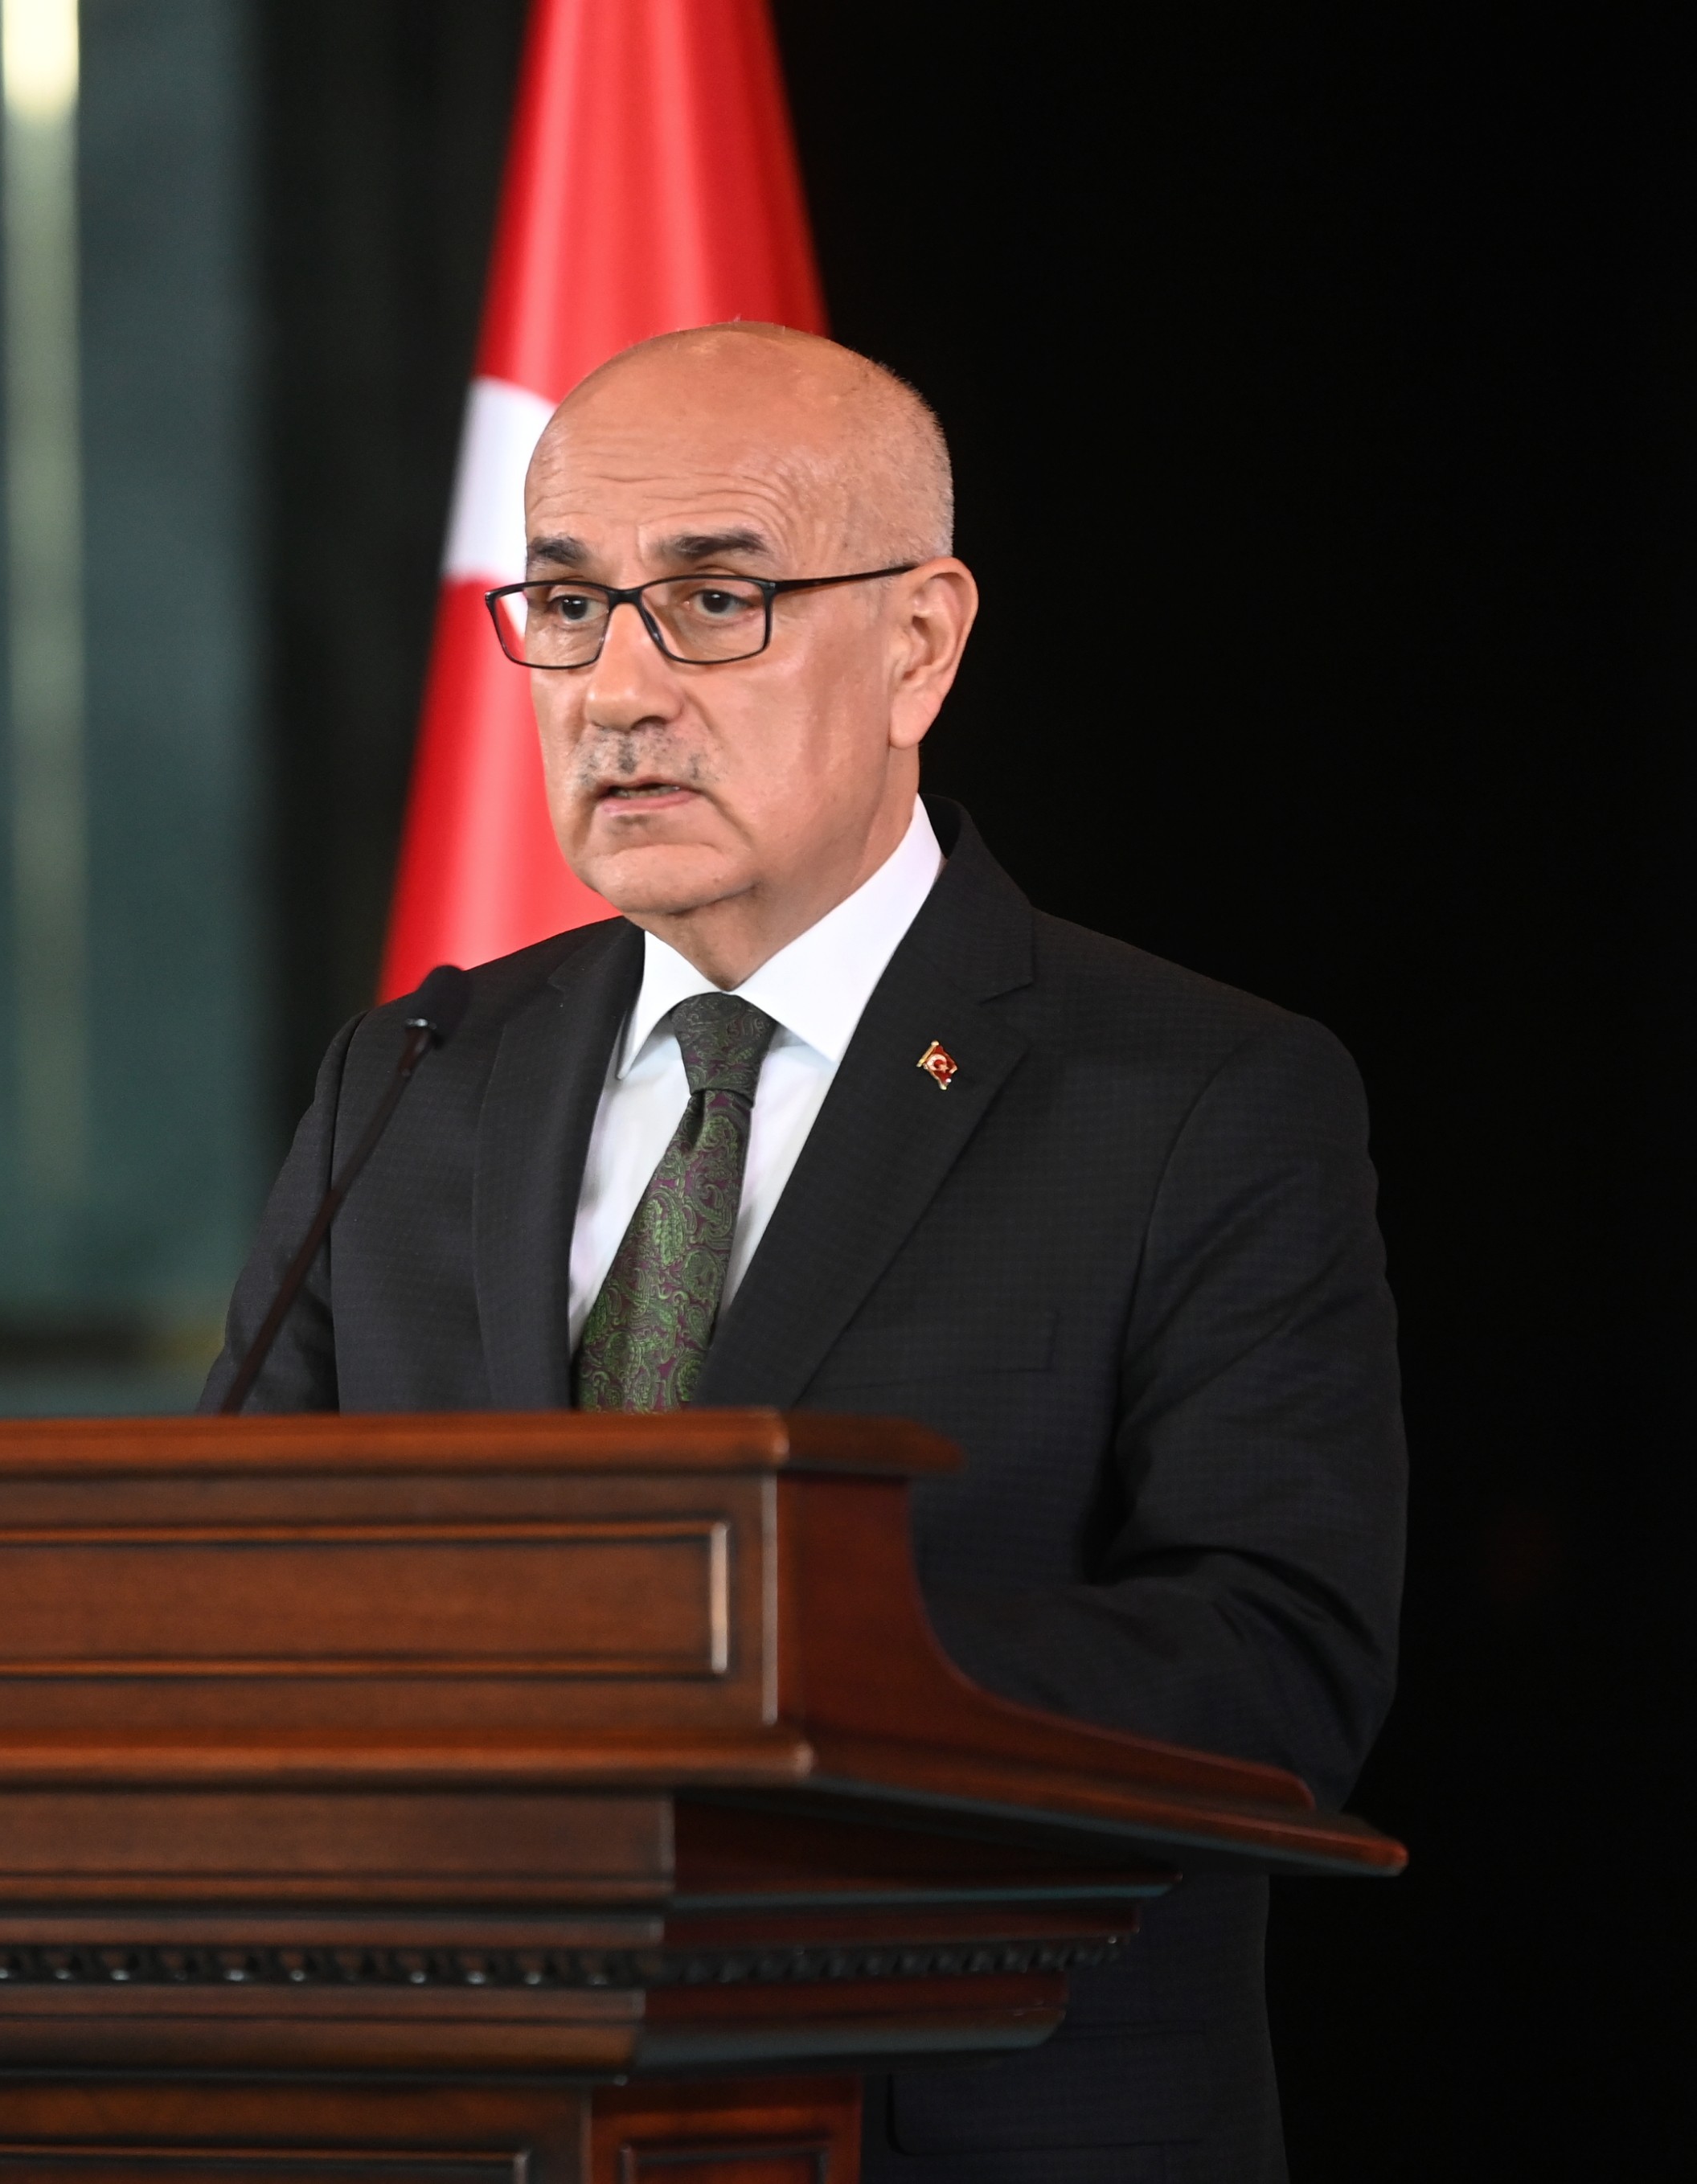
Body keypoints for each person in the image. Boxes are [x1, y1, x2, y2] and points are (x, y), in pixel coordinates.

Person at [205, 324, 1404, 2179]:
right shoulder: (416, 1074)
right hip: (461, 2116)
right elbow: (218, 1598)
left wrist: (734, 1660)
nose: (618, 688)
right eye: (569, 604)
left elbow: (1276, 1669)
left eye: (713, 601)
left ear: (919, 643)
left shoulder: (1195, 1095)